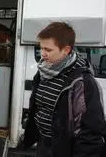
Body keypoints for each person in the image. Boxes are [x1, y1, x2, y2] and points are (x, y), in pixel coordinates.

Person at [22, 22, 106, 157]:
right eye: (41, 48)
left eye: (48, 50)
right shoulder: (43, 72)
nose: (43, 54)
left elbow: (91, 132)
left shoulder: (82, 82)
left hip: (64, 150)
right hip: (43, 145)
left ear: (66, 50)